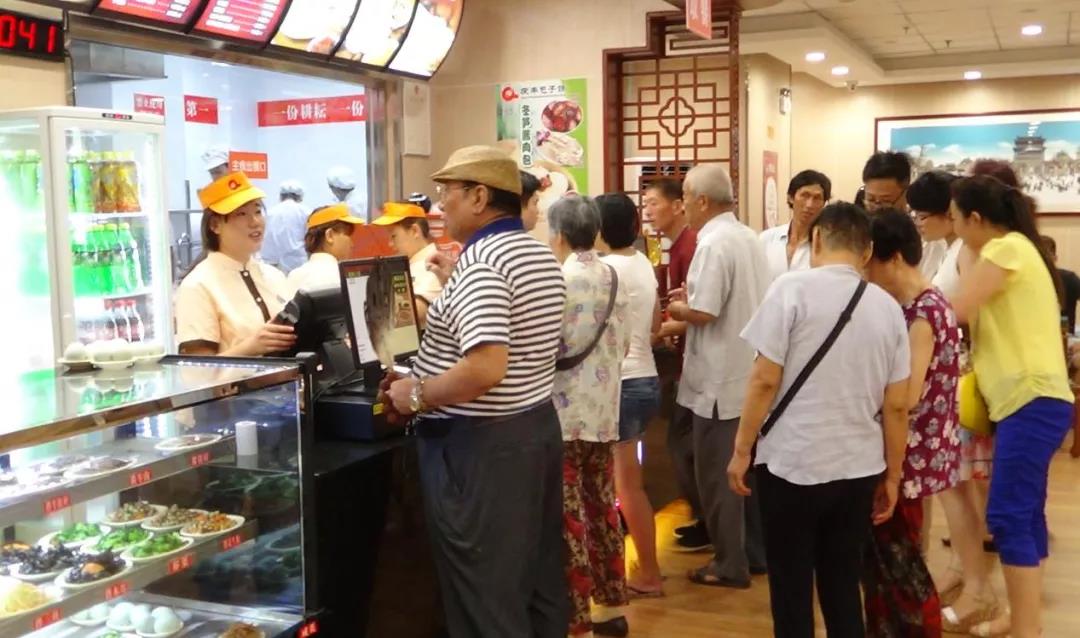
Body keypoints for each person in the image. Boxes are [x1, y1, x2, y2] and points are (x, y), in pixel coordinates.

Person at [385, 146, 568, 638]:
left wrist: (416, 394)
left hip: (480, 449)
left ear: (480, 197)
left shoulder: (483, 262)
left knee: (484, 596)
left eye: (447, 192)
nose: (439, 205)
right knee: (536, 580)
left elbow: (486, 367)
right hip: (533, 429)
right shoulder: (537, 252)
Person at [727, 202, 910, 638]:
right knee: (843, 584)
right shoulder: (888, 308)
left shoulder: (790, 290)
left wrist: (741, 450)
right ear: (867, 251)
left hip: (791, 463)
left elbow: (764, 380)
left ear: (816, 239)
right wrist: (893, 475)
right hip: (858, 467)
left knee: (790, 587)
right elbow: (897, 406)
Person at [950, 175, 1073, 638]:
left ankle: (1026, 628)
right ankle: (1023, 619)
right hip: (1033, 401)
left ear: (974, 218)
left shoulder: (1005, 249)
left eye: (955, 218)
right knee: (1027, 513)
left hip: (1030, 400)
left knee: (1006, 516)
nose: (954, 227)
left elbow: (956, 310)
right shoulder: (1018, 247)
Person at [668, 164, 770, 588]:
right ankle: (755, 555)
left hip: (717, 379)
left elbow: (705, 312)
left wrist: (678, 307)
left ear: (703, 201)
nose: (683, 207)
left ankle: (729, 564)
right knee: (746, 475)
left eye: (685, 198)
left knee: (718, 476)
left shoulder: (711, 242)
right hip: (746, 369)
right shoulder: (748, 237)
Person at [863, 209, 962, 637]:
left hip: (906, 453)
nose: (867, 275)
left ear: (896, 258)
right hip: (916, 452)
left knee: (899, 562)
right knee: (892, 560)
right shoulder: (927, 304)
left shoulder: (922, 312)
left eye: (871, 264)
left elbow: (908, 394)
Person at [547, 194, 631, 638]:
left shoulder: (559, 281)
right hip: (604, 411)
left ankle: (576, 615)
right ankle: (612, 604)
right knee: (602, 505)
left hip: (563, 415)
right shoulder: (614, 276)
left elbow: (546, 348)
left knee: (569, 516)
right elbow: (625, 341)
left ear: (559, 235)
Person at [596, 193, 664, 598]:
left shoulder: (604, 270)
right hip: (648, 379)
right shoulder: (641, 263)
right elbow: (655, 326)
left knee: (626, 487)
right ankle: (644, 566)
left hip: (621, 384)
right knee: (630, 483)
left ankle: (649, 573)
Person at [642, 177, 707, 552]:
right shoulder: (672, 246)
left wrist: (663, 329)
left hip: (697, 366)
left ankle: (708, 521)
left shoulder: (692, 246)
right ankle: (703, 519)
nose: (648, 210)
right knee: (681, 445)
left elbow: (703, 311)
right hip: (683, 361)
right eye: (645, 204)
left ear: (679, 205)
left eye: (654, 203)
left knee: (685, 445)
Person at [175, 172, 295, 356]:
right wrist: (250, 347)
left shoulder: (275, 276)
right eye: (241, 214)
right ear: (215, 225)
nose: (255, 222)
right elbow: (197, 369)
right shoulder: (197, 286)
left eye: (257, 211)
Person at [371, 202, 443, 326]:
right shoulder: (413, 264)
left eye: (393, 236)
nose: (390, 244)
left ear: (415, 231)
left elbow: (416, 312)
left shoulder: (432, 263)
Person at [759, 170, 831, 281]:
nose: (809, 205)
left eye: (817, 198)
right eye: (805, 196)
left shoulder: (827, 246)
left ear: (824, 204)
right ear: (791, 198)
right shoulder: (766, 239)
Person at [283, 204, 365, 296]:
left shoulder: (294, 276)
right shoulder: (346, 278)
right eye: (348, 234)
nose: (352, 244)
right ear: (329, 235)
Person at [909, 171, 962, 298]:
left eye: (922, 217)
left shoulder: (964, 251)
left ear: (950, 212)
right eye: (914, 215)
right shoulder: (947, 247)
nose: (917, 223)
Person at [261, 180, 310, 274]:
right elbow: (310, 239)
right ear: (300, 197)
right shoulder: (306, 212)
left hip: (272, 265)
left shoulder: (270, 212)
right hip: (298, 264)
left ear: (281, 196)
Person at [1041, 235, 1080, 334]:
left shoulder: (1069, 279)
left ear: (1055, 258)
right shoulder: (1024, 282)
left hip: (1065, 338)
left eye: (1046, 257)